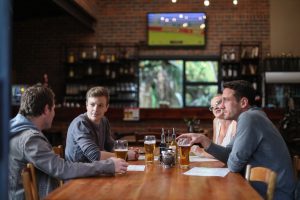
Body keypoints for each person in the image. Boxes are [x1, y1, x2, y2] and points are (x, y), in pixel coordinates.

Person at [178, 80, 295, 200]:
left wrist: (232, 158)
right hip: (263, 190)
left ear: (243, 102)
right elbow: (229, 152)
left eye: (226, 100)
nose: (221, 106)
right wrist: (204, 140)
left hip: (274, 195)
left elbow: (234, 165)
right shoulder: (252, 116)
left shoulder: (249, 118)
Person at [9, 85, 128, 200]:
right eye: (54, 108)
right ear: (46, 109)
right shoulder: (29, 139)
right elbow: (62, 170)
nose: (54, 113)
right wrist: (108, 165)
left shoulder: (15, 130)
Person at [65, 86, 138, 163]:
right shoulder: (80, 124)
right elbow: (95, 155)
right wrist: (124, 155)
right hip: (78, 172)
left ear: (106, 107)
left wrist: (126, 150)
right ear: (86, 105)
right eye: (92, 104)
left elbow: (110, 145)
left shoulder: (104, 121)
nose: (95, 109)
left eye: (100, 105)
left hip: (94, 169)